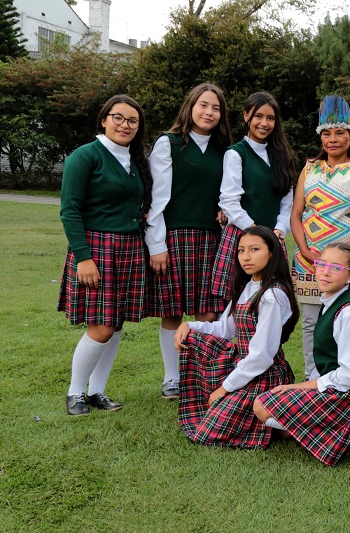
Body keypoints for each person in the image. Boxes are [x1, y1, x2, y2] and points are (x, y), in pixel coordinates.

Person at [60, 94, 153, 416]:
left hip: (129, 248)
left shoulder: (134, 159)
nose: (124, 125)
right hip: (97, 249)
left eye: (132, 121)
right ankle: (75, 393)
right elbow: (70, 211)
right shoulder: (86, 156)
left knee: (115, 324)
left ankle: (97, 391)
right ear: (104, 119)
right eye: (118, 117)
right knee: (101, 326)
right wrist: (83, 257)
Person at [254, 243, 350, 466]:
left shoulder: (349, 313)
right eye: (321, 264)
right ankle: (338, 431)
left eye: (335, 267)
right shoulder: (331, 302)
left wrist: (298, 387)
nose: (325, 271)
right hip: (339, 390)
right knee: (278, 424)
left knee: (263, 407)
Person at [174, 226, 298, 448]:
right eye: (241, 250)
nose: (246, 257)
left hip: (263, 375)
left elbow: (261, 356)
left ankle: (282, 419)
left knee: (208, 433)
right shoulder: (248, 285)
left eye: (254, 249)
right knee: (192, 338)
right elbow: (226, 329)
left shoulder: (273, 295)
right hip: (242, 364)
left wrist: (224, 388)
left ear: (272, 253)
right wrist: (189, 325)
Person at [146, 83, 232, 400]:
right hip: (174, 237)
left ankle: (196, 376)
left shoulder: (227, 150)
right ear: (190, 107)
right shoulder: (169, 144)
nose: (209, 112)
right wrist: (157, 245)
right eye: (203, 105)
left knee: (208, 311)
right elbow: (156, 199)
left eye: (216, 108)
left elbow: (231, 192)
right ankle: (172, 378)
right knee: (172, 311)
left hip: (213, 239)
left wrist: (225, 208)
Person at [291, 95, 350, 379]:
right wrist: (304, 249)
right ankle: (313, 376)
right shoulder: (309, 167)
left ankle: (343, 375)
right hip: (309, 258)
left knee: (345, 316)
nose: (333, 139)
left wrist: (344, 253)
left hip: (346, 260)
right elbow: (296, 213)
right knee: (311, 321)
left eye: (340, 133)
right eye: (327, 133)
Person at [211, 92, 294, 306]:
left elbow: (287, 202)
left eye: (270, 118)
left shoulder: (281, 156)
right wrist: (255, 231)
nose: (264, 123)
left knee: (272, 302)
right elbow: (229, 201)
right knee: (237, 305)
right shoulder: (236, 153)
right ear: (246, 116)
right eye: (258, 116)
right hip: (242, 238)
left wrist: (279, 230)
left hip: (274, 240)